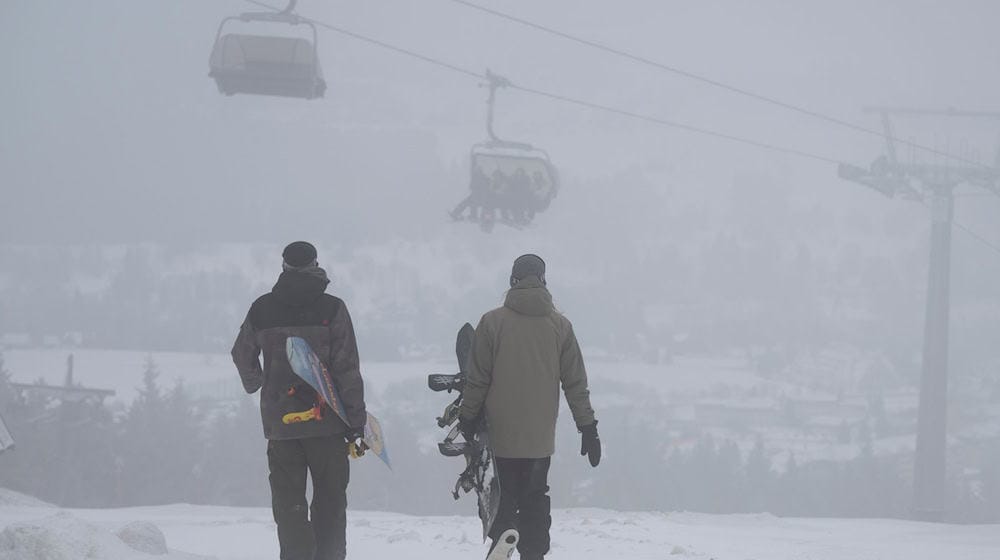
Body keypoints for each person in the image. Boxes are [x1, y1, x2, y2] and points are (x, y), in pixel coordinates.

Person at [458, 254, 601, 560]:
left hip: (500, 436)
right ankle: (534, 553)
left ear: (513, 281)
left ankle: (504, 534)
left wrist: (467, 417)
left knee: (502, 494)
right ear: (544, 281)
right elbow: (575, 383)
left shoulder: (492, 323)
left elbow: (477, 380)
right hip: (539, 439)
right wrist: (587, 427)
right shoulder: (560, 327)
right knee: (536, 495)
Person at [231, 241, 366, 560]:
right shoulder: (333, 308)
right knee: (330, 501)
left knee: (289, 504)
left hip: (282, 425)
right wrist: (357, 423)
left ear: (284, 267)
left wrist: (259, 383)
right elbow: (347, 368)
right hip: (328, 422)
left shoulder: (262, 308)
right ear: (315, 265)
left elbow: (241, 354)